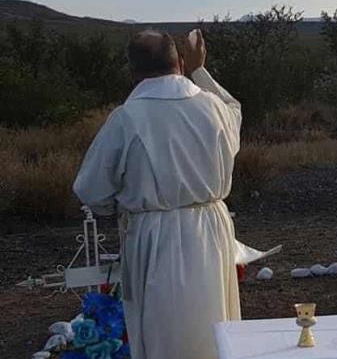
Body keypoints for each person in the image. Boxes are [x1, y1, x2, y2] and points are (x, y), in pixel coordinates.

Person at [73, 29, 242, 359]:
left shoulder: (126, 119)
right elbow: (233, 107)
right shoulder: (213, 108)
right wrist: (200, 69)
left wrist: (123, 205)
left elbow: (91, 189)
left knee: (163, 329)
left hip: (154, 235)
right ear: (179, 62)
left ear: (133, 71)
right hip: (211, 231)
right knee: (214, 326)